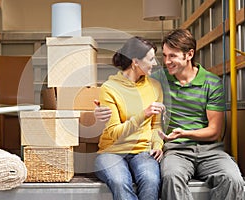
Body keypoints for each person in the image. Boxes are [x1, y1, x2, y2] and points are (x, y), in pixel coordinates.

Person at [95, 29, 245, 200]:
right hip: (175, 150)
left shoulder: (211, 83)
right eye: (164, 56)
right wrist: (98, 112)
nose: (165, 62)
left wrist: (181, 134)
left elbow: (215, 131)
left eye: (172, 56)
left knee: (233, 179)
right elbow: (126, 84)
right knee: (170, 178)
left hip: (208, 150)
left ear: (189, 54)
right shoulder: (157, 79)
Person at [94, 36, 165, 200]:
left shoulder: (155, 87)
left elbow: (156, 126)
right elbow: (114, 133)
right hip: (111, 152)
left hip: (143, 151)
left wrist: (157, 144)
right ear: (135, 62)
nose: (155, 63)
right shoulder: (109, 88)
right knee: (119, 181)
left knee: (151, 180)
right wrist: (143, 114)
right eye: (151, 59)